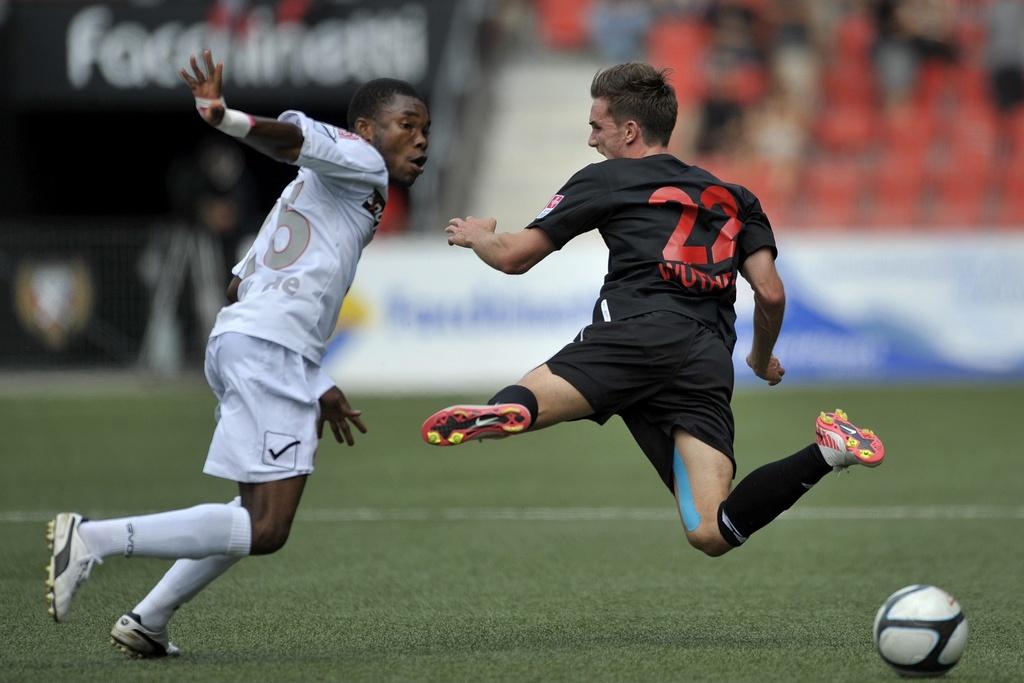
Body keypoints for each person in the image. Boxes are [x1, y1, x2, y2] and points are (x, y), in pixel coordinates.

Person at [45, 49, 429, 657]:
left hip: (245, 341)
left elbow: (237, 285)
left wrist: (313, 378)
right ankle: (91, 539)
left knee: (250, 511)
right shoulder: (359, 160)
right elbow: (292, 137)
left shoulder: (310, 191)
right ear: (365, 131)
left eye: (425, 128)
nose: (421, 139)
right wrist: (224, 117)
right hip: (270, 348)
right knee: (267, 527)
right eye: (407, 124)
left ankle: (149, 619)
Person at [421, 62, 883, 558]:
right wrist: (758, 357)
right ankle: (828, 450)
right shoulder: (738, 199)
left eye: (597, 127)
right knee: (712, 529)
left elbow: (515, 257)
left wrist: (480, 237)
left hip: (636, 334)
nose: (592, 140)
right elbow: (770, 293)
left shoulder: (606, 179)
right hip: (705, 358)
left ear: (630, 130)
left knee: (519, 405)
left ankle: (507, 410)